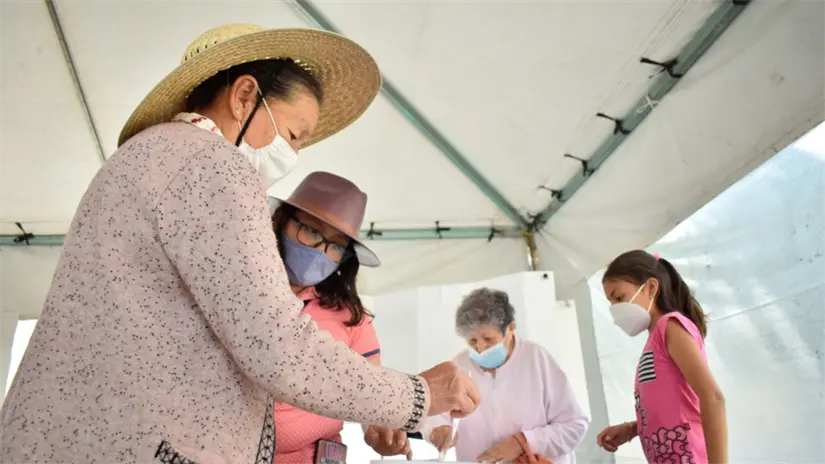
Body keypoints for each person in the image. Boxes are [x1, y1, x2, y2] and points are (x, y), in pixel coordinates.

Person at [0, 24, 479, 463]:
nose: (292, 154)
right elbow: (277, 345)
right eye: (293, 135)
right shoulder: (215, 164)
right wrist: (419, 394)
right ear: (245, 96)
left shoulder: (140, 155)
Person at [268, 172, 413, 463]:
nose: (320, 252)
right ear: (282, 220)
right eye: (312, 231)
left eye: (335, 246)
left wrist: (378, 431)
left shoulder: (351, 317)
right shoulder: (243, 293)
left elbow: (370, 393)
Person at [422, 288, 589, 464]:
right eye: (472, 340)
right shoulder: (459, 365)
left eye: (488, 339)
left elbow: (574, 426)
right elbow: (435, 413)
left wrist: (523, 442)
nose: (480, 348)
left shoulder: (535, 358)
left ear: (510, 329)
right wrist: (437, 429)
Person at [596, 250, 727, 464]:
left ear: (651, 288)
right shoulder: (655, 339)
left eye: (619, 298)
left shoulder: (670, 327)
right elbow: (674, 405)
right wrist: (634, 428)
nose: (615, 308)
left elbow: (712, 397)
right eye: (611, 302)